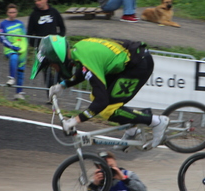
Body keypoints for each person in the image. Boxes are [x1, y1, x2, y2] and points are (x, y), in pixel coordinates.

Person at [31, 35, 169, 148]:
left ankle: (156, 121)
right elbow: (83, 72)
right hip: (128, 61)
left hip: (138, 65)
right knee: (98, 97)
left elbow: (101, 101)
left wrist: (75, 120)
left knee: (107, 108)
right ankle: (132, 130)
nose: (54, 69)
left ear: (58, 58)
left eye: (52, 65)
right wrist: (62, 85)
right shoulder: (78, 49)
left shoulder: (86, 59)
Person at [27, 0, 66, 87]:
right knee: (47, 72)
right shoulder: (34, 15)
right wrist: (35, 45)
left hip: (55, 46)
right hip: (42, 47)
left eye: (39, 0)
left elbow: (62, 27)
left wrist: (60, 39)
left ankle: (58, 86)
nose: (37, 3)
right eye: (36, 1)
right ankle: (50, 95)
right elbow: (29, 32)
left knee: (60, 68)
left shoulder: (54, 12)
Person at [0, 4, 28, 100]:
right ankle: (11, 77)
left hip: (21, 48)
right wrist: (11, 46)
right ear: (7, 13)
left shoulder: (20, 23)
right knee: (14, 57)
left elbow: (25, 37)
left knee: (21, 70)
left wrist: (23, 48)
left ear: (17, 12)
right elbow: (1, 37)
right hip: (10, 48)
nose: (12, 14)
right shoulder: (3, 24)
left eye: (14, 12)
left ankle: (19, 92)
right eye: (10, 12)